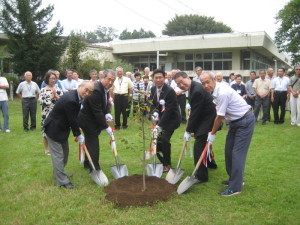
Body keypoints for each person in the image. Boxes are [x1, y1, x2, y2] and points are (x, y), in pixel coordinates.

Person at [200, 71, 255, 197]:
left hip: (244, 121)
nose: (206, 85)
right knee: (229, 151)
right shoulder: (215, 91)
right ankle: (234, 179)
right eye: (203, 84)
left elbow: (219, 117)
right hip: (235, 123)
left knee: (237, 154)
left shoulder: (222, 92)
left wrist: (212, 134)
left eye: (207, 82)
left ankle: (235, 187)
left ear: (214, 80)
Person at [44, 81, 94, 189]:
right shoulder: (71, 99)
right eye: (86, 90)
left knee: (65, 154)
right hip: (54, 128)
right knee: (59, 156)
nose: (87, 93)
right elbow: (72, 119)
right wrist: (78, 134)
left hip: (62, 128)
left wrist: (78, 128)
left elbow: (74, 117)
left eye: (90, 92)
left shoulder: (78, 97)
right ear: (80, 87)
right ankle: (62, 182)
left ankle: (58, 174)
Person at [174, 71, 217, 184]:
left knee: (199, 144)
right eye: (178, 85)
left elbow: (195, 113)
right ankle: (211, 164)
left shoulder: (197, 89)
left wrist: (188, 130)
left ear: (187, 78)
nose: (181, 85)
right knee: (203, 142)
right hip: (204, 118)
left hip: (208, 119)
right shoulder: (193, 87)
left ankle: (201, 176)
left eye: (182, 82)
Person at [78, 70, 115, 172]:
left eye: (113, 80)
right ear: (103, 78)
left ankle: (87, 163)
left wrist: (107, 112)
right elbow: (97, 111)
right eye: (109, 79)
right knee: (93, 143)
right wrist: (106, 127)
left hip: (92, 119)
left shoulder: (105, 89)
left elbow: (106, 103)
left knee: (90, 141)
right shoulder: (96, 90)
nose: (111, 82)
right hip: (87, 120)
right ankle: (94, 167)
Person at [150, 69, 181, 172]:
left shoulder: (169, 91)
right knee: (157, 140)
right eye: (156, 78)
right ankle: (163, 160)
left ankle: (167, 164)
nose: (158, 80)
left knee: (164, 139)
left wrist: (159, 126)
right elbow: (152, 104)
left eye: (160, 77)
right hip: (162, 118)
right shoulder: (153, 89)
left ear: (165, 78)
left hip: (172, 119)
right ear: (153, 79)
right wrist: (153, 112)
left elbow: (169, 110)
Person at [38, 71, 63, 155]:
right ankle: (46, 149)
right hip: (46, 114)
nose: (53, 80)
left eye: (54, 78)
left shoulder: (58, 89)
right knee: (45, 133)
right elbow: (42, 102)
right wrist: (51, 98)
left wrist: (57, 97)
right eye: (51, 78)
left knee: (56, 131)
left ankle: (55, 149)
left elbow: (63, 102)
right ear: (47, 79)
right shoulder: (43, 90)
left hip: (57, 114)